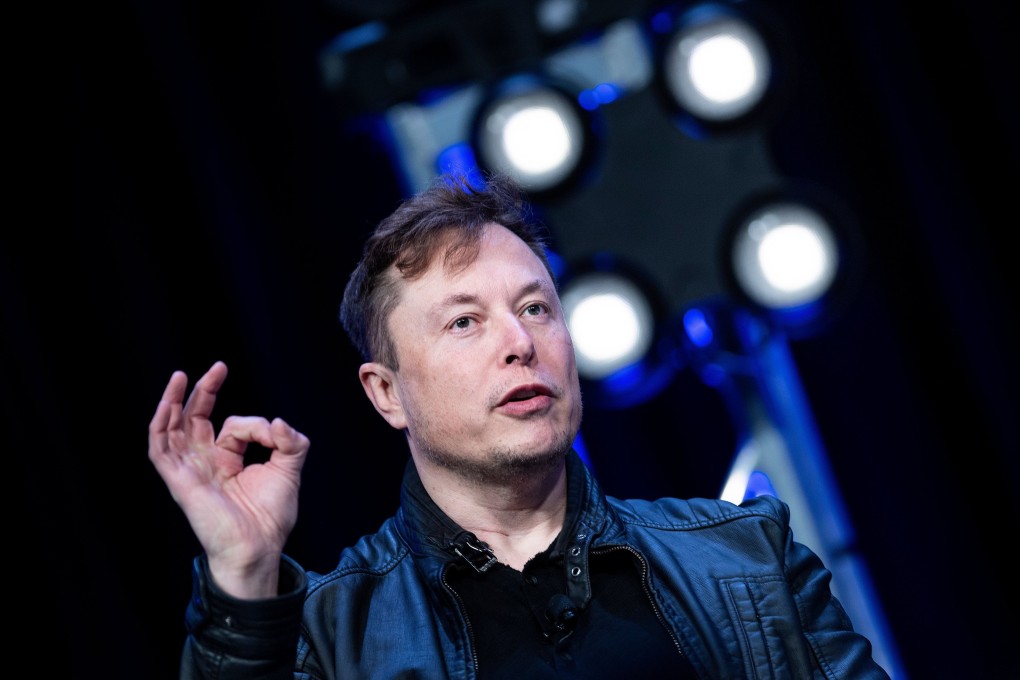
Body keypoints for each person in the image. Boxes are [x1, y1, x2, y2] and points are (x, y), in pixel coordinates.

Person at [149, 172, 891, 679]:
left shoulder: (748, 557)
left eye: (536, 307)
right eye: (465, 321)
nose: (520, 341)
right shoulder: (331, 632)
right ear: (386, 394)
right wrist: (243, 579)